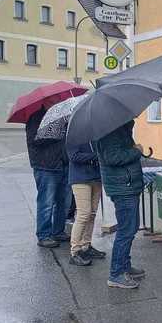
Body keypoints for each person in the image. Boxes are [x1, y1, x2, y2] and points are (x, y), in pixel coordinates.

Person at [96, 120, 145, 290]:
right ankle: (116, 274)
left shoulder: (117, 127)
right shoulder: (110, 129)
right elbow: (113, 157)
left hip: (126, 185)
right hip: (123, 187)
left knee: (130, 228)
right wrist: (136, 151)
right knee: (126, 230)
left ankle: (124, 266)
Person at [26, 107, 70, 248]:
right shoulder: (36, 117)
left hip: (63, 164)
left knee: (63, 202)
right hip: (45, 166)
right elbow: (34, 140)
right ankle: (44, 235)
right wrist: (54, 132)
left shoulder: (61, 115)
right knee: (46, 203)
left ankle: (58, 231)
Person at [66, 140, 106, 266]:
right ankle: (75, 251)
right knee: (84, 214)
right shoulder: (73, 134)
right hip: (80, 178)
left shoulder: (95, 134)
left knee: (92, 214)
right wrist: (96, 155)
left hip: (96, 176)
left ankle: (86, 246)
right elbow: (74, 156)